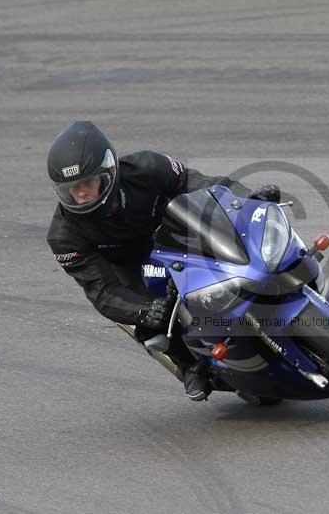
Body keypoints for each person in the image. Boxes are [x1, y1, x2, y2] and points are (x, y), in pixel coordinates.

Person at [45, 121, 280, 401]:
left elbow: (198, 184)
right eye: (72, 188)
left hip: (174, 232)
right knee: (151, 318)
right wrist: (142, 311)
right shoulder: (63, 236)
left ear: (107, 172)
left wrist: (247, 199)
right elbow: (101, 291)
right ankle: (191, 365)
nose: (80, 194)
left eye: (86, 183)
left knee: (242, 243)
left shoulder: (146, 167)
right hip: (125, 266)